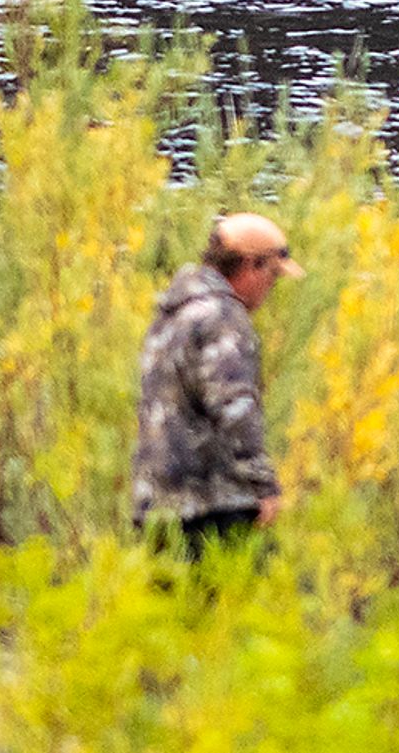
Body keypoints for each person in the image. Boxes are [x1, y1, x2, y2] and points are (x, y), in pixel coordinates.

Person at [129, 213, 300, 555]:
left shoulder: (170, 315)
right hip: (211, 509)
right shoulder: (223, 318)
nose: (271, 288)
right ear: (251, 266)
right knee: (234, 604)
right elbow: (234, 408)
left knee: (166, 608)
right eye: (272, 276)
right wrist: (264, 487)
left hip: (155, 506)